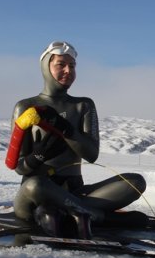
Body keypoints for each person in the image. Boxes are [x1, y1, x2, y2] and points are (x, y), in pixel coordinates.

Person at [9, 41, 147, 239]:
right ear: (46, 67)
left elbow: (91, 154)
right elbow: (19, 168)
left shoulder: (83, 106)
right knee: (34, 185)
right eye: (60, 65)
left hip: (76, 192)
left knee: (135, 182)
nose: (68, 70)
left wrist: (65, 129)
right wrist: (39, 155)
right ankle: (101, 216)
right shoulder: (26, 107)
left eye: (72, 66)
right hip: (36, 195)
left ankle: (71, 212)